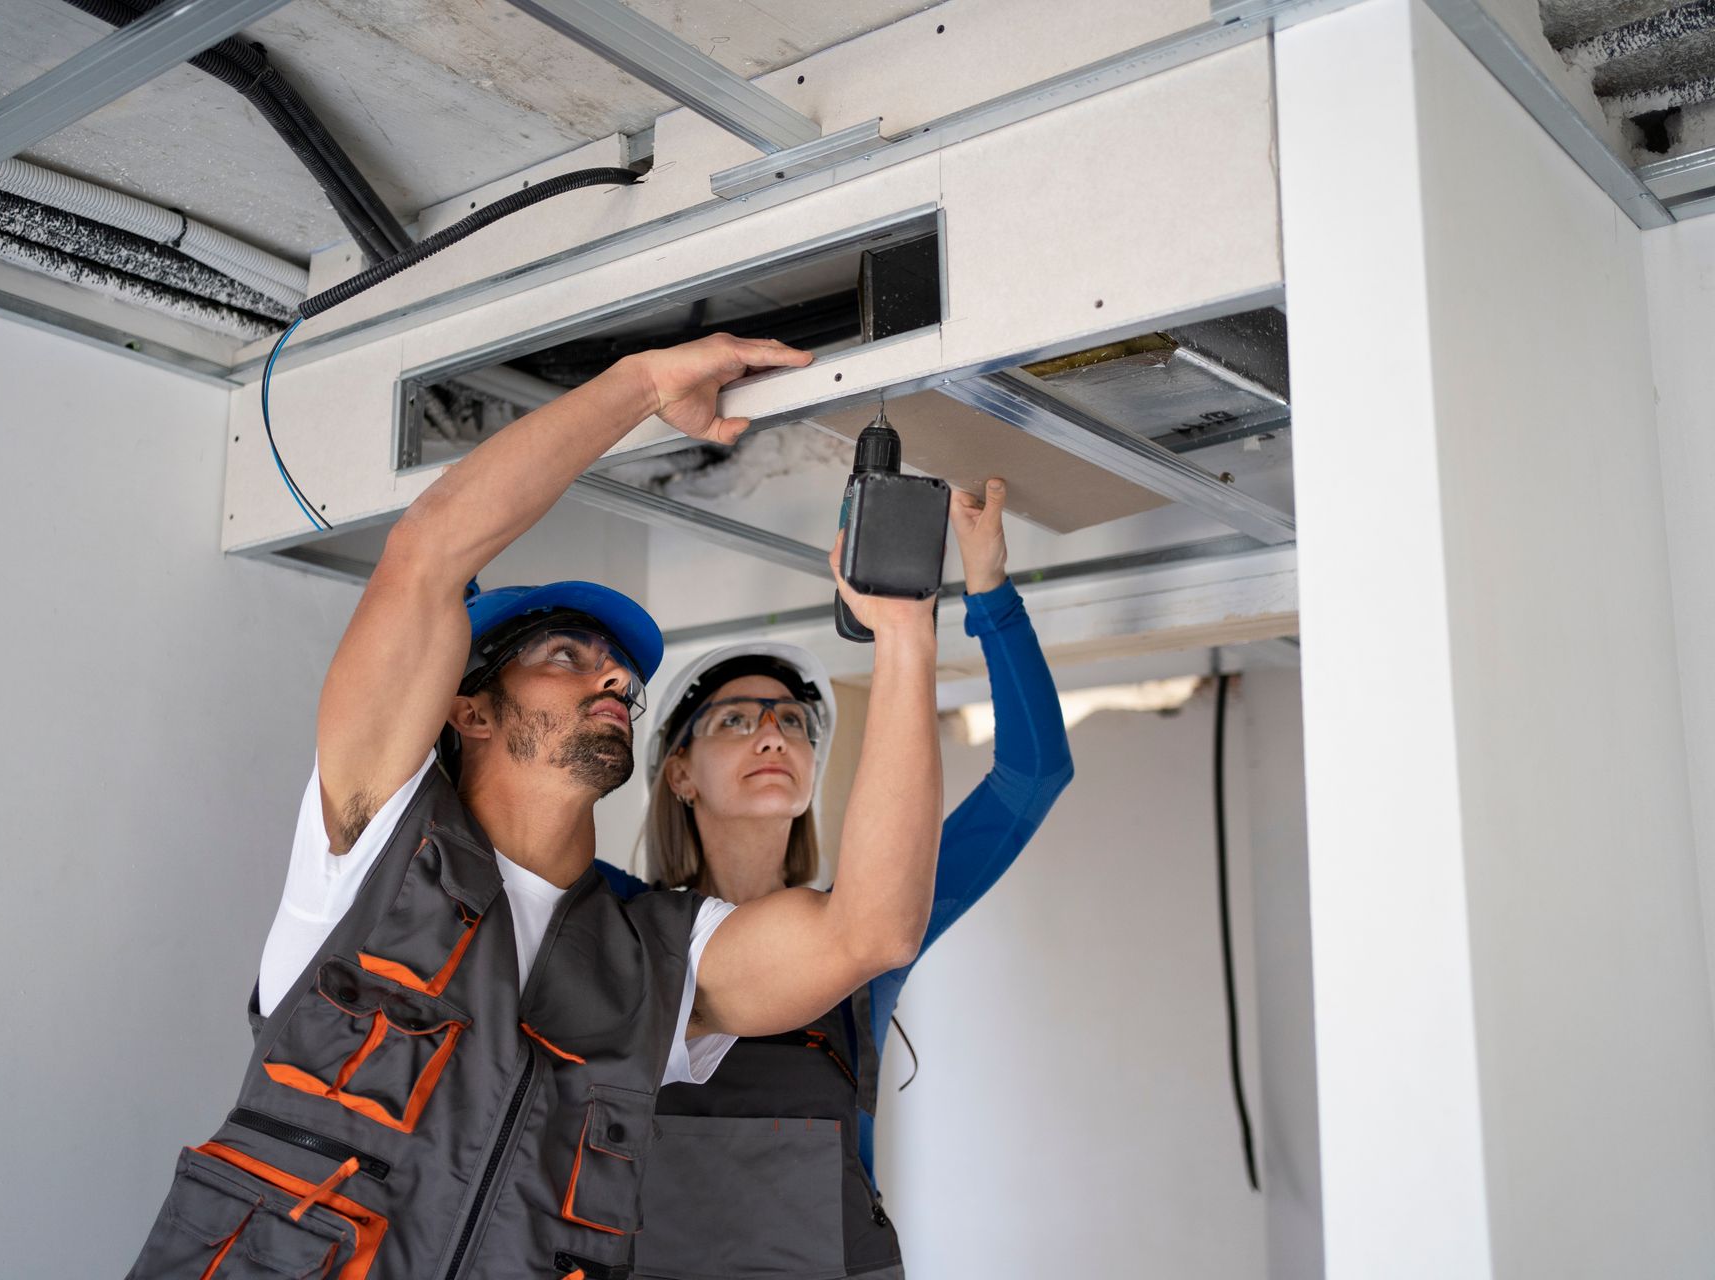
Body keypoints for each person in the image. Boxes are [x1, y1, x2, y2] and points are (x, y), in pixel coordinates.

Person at [123, 334, 946, 1280]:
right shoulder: (368, 847)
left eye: (619, 673)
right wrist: (639, 386)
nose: (609, 675)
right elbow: (429, 552)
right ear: (468, 709)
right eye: (565, 655)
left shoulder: (658, 958)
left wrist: (904, 638)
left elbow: (870, 933)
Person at [600, 477, 1074, 1279]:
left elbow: (1032, 774)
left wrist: (987, 581)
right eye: (735, 719)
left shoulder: (870, 931)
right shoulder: (610, 923)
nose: (773, 734)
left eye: (792, 720)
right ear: (679, 774)